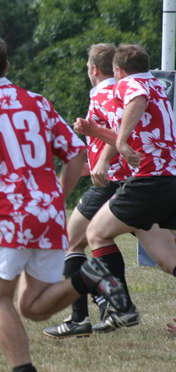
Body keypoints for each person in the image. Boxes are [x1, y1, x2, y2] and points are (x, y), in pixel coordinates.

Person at [0, 32, 129, 372]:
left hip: (5, 216)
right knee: (32, 307)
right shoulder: (36, 102)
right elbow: (76, 153)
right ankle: (88, 276)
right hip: (47, 213)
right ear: (6, 65)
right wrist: (55, 197)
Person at [75, 44, 176, 330]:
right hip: (169, 178)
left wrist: (118, 141)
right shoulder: (157, 85)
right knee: (168, 259)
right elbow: (129, 128)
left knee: (96, 234)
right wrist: (102, 136)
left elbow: (136, 99)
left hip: (148, 180)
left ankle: (122, 309)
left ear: (118, 71)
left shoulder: (130, 85)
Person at [43, 43, 139, 338]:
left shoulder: (104, 92)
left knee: (72, 242)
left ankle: (83, 318)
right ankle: (114, 306)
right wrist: (91, 165)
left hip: (114, 182)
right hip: (134, 180)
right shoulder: (120, 90)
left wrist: (104, 162)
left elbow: (119, 132)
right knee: (165, 253)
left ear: (94, 69)